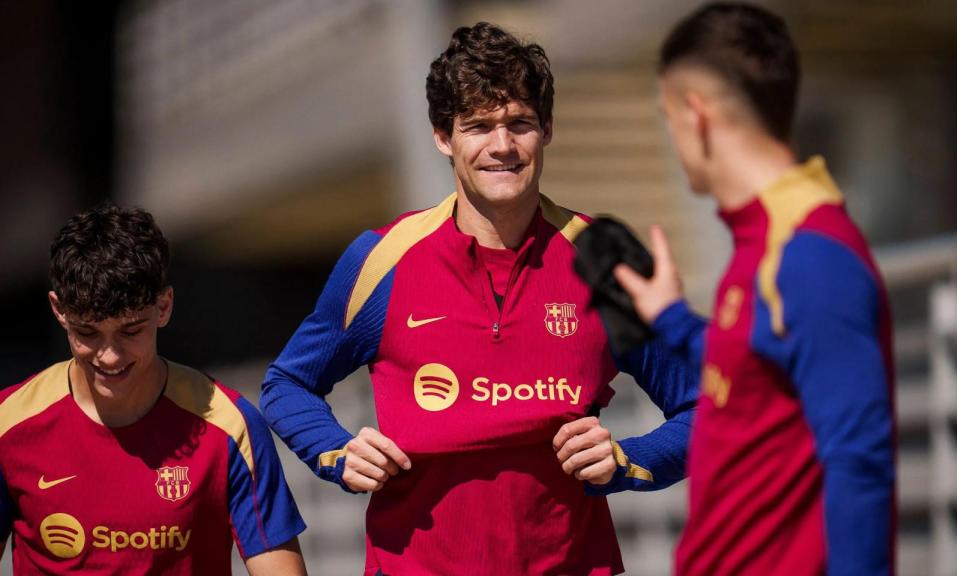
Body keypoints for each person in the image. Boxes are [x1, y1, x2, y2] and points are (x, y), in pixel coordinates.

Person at [260, 21, 699, 575]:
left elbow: (706, 409)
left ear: (548, 131)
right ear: (443, 137)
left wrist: (630, 459)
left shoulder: (602, 261)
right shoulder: (382, 259)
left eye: (520, 123)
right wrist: (335, 451)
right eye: (478, 126)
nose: (502, 146)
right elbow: (287, 384)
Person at [614, 3, 896, 575]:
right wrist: (671, 318)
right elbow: (753, 369)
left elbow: (859, 465)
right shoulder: (764, 240)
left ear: (696, 115)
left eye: (666, 117)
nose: (672, 138)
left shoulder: (809, 256)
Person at [0, 205, 307, 575]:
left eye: (130, 331)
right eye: (88, 333)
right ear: (58, 310)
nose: (109, 357)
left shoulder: (232, 426)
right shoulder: (9, 424)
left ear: (164, 307)